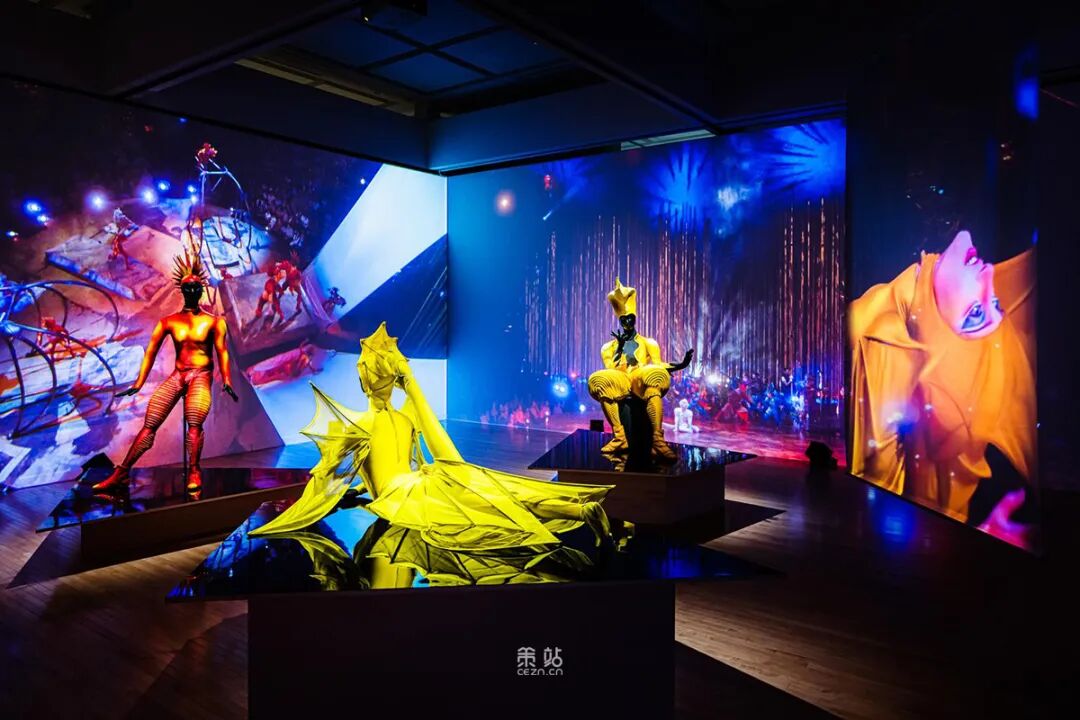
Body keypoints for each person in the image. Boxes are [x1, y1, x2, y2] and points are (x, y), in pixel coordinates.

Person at [250, 322, 613, 551]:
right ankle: (576, 509)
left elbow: (326, 485)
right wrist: (360, 488)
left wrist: (287, 519)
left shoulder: (355, 424)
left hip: (403, 497)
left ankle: (577, 511)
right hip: (427, 479)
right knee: (498, 495)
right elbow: (413, 462)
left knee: (489, 508)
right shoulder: (404, 419)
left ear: (364, 380)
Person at [849, 229, 1035, 547]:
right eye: (993, 302)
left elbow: (877, 480)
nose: (989, 273)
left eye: (974, 313)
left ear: (935, 340)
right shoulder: (901, 296)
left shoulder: (887, 340)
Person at [93, 252, 238, 493]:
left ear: (201, 289)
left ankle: (194, 469)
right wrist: (139, 383)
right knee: (150, 424)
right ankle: (122, 472)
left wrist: (227, 380)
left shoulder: (214, 322)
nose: (192, 290)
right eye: (187, 287)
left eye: (196, 287)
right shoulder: (169, 321)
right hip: (178, 375)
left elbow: (222, 352)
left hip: (201, 375)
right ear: (182, 290)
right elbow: (150, 352)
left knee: (194, 424)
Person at [587, 278, 692, 460]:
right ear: (620, 321)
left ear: (635, 319)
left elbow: (658, 363)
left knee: (655, 375)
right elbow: (610, 368)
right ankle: (620, 437)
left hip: (639, 377)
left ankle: (657, 441)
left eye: (630, 318)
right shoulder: (608, 347)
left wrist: (680, 365)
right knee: (598, 380)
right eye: (624, 319)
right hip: (620, 379)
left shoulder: (648, 342)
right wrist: (619, 348)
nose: (627, 322)